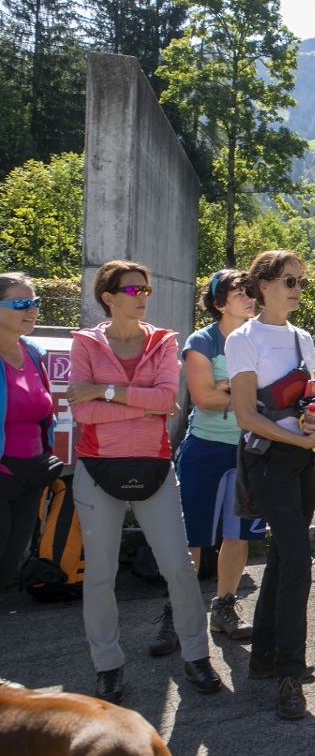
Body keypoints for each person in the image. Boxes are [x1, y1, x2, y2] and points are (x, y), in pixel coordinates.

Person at [67, 261, 221, 704]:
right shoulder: (85, 343)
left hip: (154, 467)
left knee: (178, 566)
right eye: (132, 289)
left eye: (145, 288)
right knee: (99, 576)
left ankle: (196, 656)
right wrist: (141, 404)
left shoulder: (163, 342)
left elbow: (167, 401)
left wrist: (106, 390)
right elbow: (84, 412)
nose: (142, 295)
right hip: (98, 469)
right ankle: (108, 667)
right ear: (108, 297)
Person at [226, 250, 315, 720]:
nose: (297, 288)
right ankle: (290, 673)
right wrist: (295, 436)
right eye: (289, 280)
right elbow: (247, 415)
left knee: (280, 556)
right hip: (268, 460)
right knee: (296, 559)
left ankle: (264, 656)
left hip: (302, 459)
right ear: (264, 284)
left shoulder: (300, 339)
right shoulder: (242, 340)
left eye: (300, 281)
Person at [175, 269, 261, 642]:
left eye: (250, 292)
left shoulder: (258, 338)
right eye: (239, 293)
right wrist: (244, 396)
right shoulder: (202, 341)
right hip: (205, 451)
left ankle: (223, 607)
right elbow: (204, 399)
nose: (249, 298)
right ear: (218, 303)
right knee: (193, 539)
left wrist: (228, 387)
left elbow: (271, 393)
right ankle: (177, 613)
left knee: (237, 536)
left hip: (248, 452)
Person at [0, 273, 55, 626]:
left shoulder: (34, 353)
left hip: (29, 474)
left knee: (6, 568)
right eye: (20, 303)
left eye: (34, 302)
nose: (31, 310)